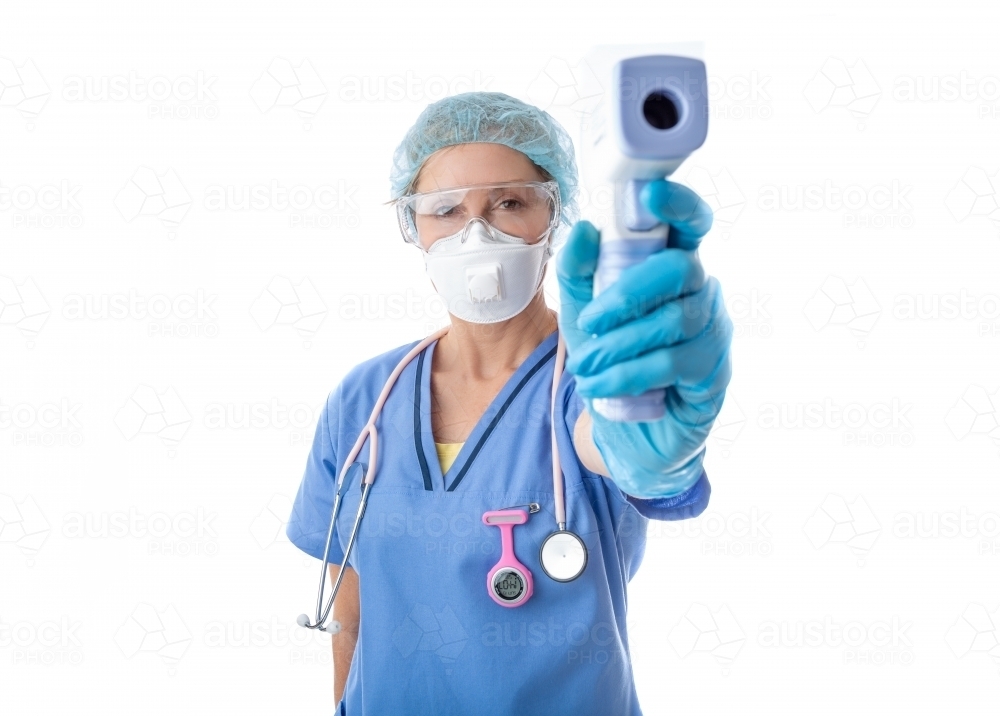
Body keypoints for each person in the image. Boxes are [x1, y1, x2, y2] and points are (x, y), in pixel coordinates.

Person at [287, 91, 732, 715]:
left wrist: (649, 444)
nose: (478, 234)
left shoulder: (596, 385)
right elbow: (350, 613)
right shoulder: (363, 398)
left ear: (553, 215)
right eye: (446, 210)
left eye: (510, 203)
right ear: (413, 227)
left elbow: (615, 445)